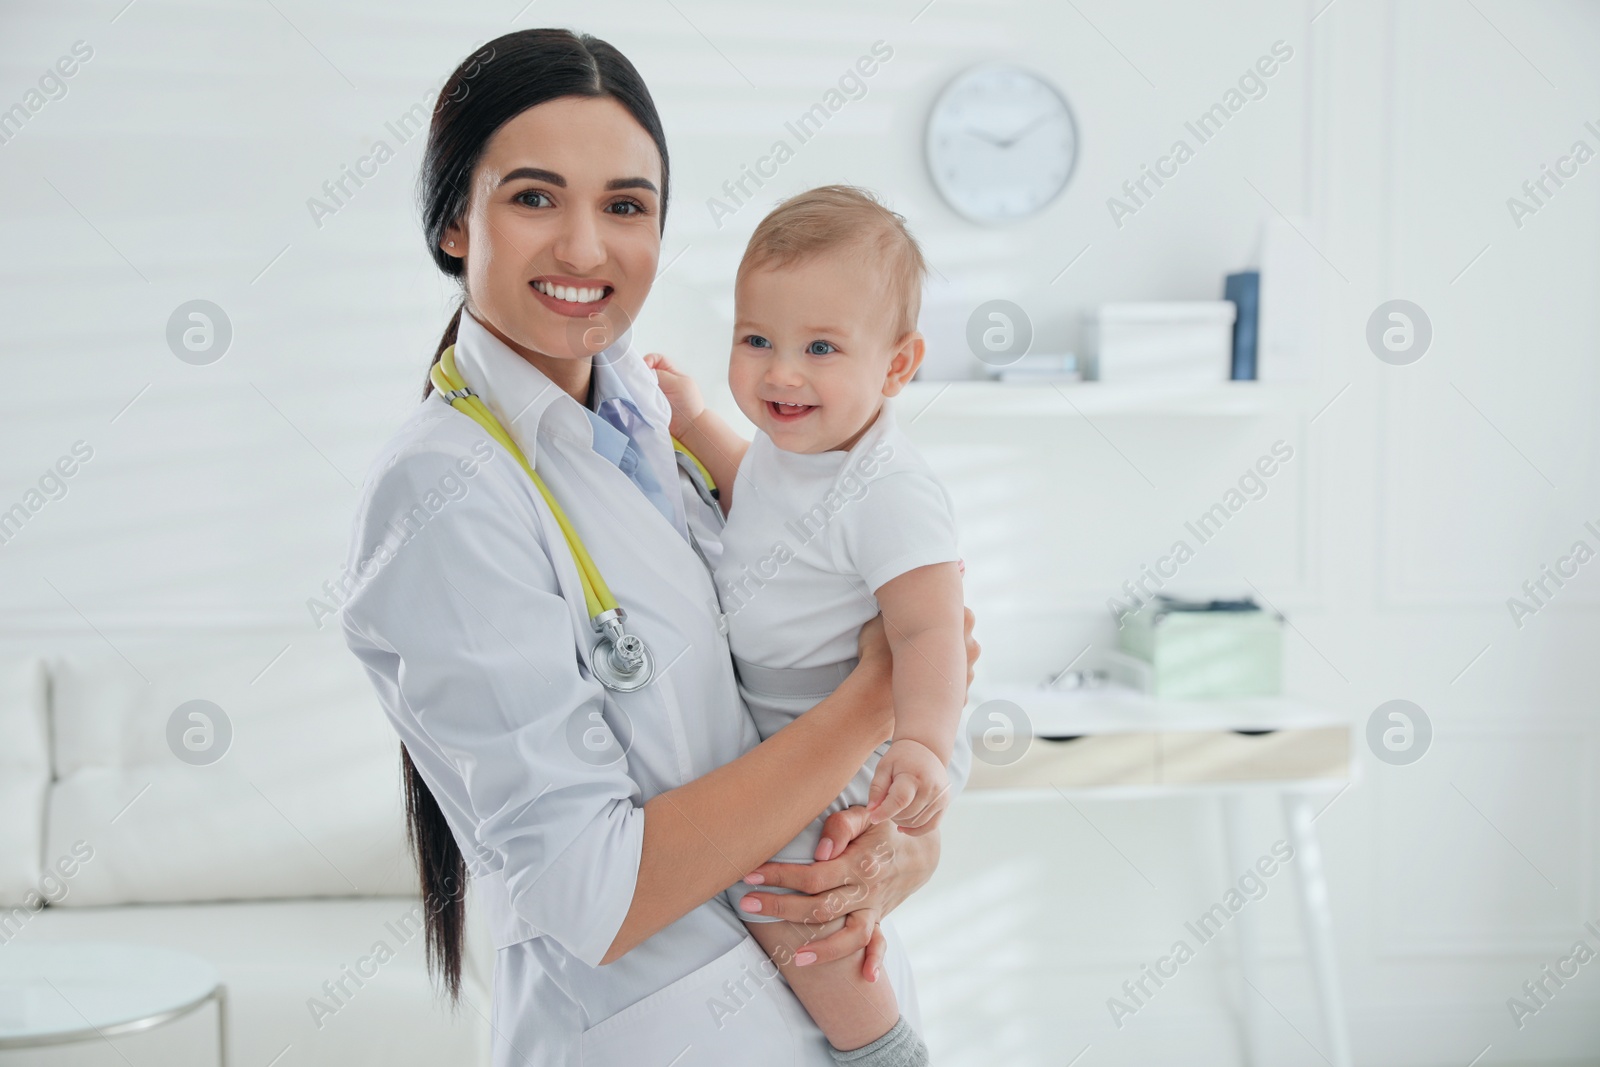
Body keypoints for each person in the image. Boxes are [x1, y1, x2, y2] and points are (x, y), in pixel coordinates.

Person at [337, 29, 979, 1067]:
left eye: (625, 206)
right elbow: (588, 888)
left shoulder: (654, 417)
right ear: (456, 221)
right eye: (535, 197)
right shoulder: (442, 492)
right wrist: (872, 697)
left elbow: (764, 693)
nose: (587, 248)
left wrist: (900, 852)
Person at [646, 185, 967, 1066]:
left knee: (793, 886)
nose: (781, 372)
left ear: (898, 367)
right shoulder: (798, 452)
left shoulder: (890, 486)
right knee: (779, 872)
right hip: (792, 714)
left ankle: (879, 1045)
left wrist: (927, 747)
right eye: (758, 341)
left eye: (820, 348)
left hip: (866, 735)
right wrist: (694, 418)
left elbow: (935, 633)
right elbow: (756, 500)